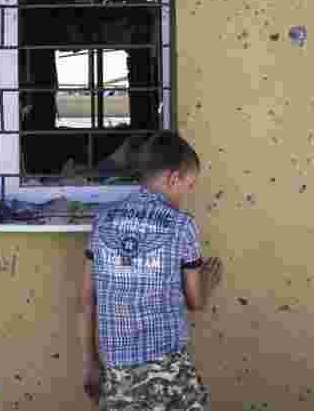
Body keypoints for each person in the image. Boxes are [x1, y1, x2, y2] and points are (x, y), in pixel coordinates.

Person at [80, 131, 224, 410]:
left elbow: (86, 300)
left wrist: (90, 362)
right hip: (168, 370)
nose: (187, 193)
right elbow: (196, 301)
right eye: (189, 184)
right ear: (173, 178)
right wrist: (209, 279)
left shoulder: (102, 222)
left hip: (116, 369)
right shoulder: (181, 226)